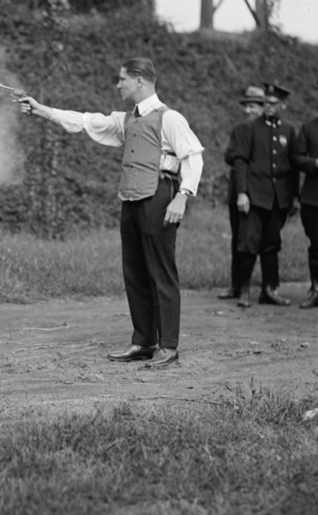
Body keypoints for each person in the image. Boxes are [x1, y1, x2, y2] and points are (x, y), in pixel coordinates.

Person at [15, 58, 204, 369]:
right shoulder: (125, 119)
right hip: (130, 198)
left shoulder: (170, 118)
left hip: (160, 197)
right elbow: (86, 121)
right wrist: (41, 109)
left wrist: (182, 197)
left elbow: (193, 159)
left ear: (140, 81)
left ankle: (168, 346)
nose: (118, 85)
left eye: (122, 80)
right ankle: (144, 341)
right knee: (135, 271)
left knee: (161, 272)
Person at [231, 82, 298, 308]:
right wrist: (242, 193)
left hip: (278, 199)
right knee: (248, 243)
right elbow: (240, 162)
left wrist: (294, 197)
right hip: (254, 196)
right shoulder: (250, 129)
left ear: (283, 105)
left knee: (271, 244)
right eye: (265, 103)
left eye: (273, 103)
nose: (268, 107)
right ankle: (244, 290)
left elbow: (293, 166)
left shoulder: (289, 130)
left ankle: (268, 290)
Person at [218, 86, 266, 300]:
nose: (249, 110)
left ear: (263, 107)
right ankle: (236, 285)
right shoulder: (240, 129)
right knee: (238, 238)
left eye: (253, 106)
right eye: (247, 106)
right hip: (239, 190)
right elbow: (229, 156)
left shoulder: (269, 132)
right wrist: (243, 156)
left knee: (260, 241)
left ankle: (267, 287)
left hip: (262, 192)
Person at [294, 83, 318, 309]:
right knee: (316, 244)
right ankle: (317, 289)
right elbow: (297, 159)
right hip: (313, 198)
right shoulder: (310, 127)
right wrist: (316, 163)